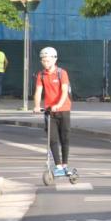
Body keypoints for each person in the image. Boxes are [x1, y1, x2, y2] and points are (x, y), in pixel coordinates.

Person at [33, 46, 73, 175]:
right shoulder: (41, 75)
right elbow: (38, 91)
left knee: (65, 138)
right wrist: (37, 105)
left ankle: (65, 164)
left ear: (54, 59)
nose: (45, 63)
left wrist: (59, 104)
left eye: (48, 60)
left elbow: (64, 91)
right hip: (49, 111)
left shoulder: (62, 73)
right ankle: (59, 166)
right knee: (52, 139)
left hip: (64, 109)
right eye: (43, 61)